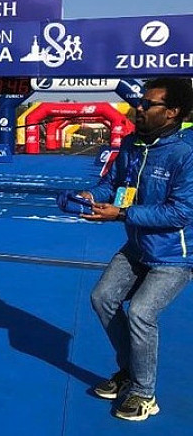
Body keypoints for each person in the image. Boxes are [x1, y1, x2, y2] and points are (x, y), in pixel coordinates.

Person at [71, 77, 193, 422]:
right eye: (140, 102)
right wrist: (90, 196)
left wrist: (123, 214)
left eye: (148, 104)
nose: (138, 107)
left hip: (174, 255)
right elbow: (112, 184)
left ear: (172, 112)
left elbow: (182, 212)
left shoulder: (186, 153)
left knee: (140, 313)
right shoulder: (130, 144)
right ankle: (128, 371)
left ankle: (143, 393)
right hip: (137, 246)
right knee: (103, 298)